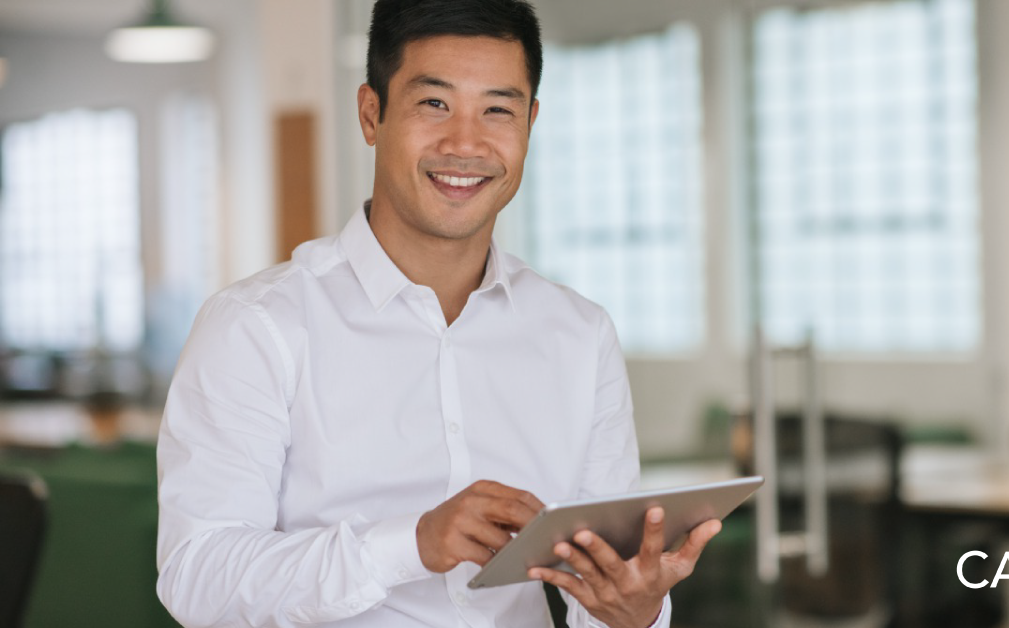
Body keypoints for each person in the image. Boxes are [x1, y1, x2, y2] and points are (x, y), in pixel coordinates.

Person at [155, 1, 721, 626]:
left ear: (530, 123)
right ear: (371, 113)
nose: (465, 143)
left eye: (498, 110)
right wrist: (412, 544)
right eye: (434, 103)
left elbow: (600, 581)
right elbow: (197, 576)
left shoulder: (580, 335)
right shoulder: (255, 326)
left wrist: (635, 610)